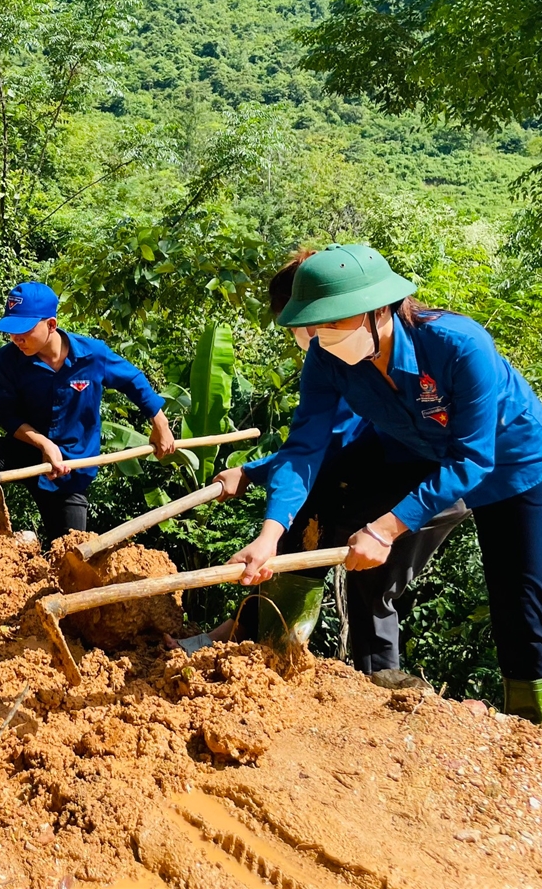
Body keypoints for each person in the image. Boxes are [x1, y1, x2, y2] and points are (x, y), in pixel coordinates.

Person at [214, 244, 542, 723]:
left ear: (379, 311)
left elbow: (473, 457)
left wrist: (388, 527)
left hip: (510, 463)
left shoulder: (460, 345)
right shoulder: (327, 358)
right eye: (317, 325)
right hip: (414, 451)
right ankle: (282, 650)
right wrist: (270, 533)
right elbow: (306, 448)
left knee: (515, 595)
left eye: (334, 323)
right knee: (334, 502)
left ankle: (528, 723)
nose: (322, 336)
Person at [175, 252, 468, 669]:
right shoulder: (332, 357)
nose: (310, 333)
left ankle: (358, 675)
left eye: (317, 322)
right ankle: (258, 645)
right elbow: (305, 446)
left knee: (367, 577)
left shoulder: (373, 356)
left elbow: (333, 444)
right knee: (299, 542)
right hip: (381, 468)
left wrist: (252, 472)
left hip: (418, 477)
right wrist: (258, 495)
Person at [0, 282, 176, 541]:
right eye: (11, 332)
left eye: (24, 330)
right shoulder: (8, 359)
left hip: (69, 470)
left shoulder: (92, 355)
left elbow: (132, 381)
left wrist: (160, 423)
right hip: (24, 452)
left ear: (51, 324)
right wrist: (43, 443)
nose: (17, 339)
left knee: (69, 553)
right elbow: (6, 414)